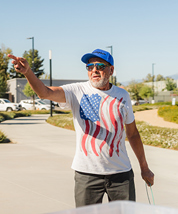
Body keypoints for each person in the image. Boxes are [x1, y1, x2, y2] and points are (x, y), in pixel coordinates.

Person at [8, 48, 154, 207]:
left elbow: (132, 135)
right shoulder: (77, 91)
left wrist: (144, 168)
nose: (94, 70)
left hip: (121, 175)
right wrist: (28, 72)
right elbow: (45, 93)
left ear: (111, 70)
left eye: (100, 66)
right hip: (87, 174)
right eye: (90, 67)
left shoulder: (122, 95)